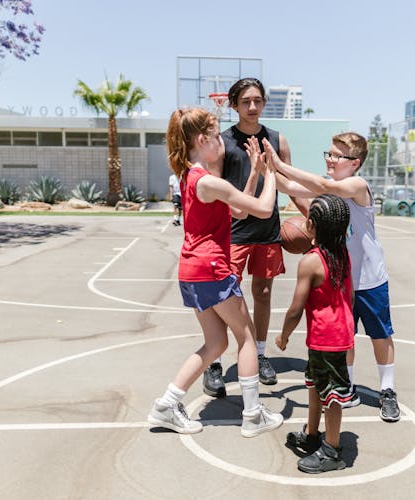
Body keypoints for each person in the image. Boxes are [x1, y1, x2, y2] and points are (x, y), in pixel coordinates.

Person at [147, 108, 283, 437]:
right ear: (202, 139)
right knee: (247, 337)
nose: (222, 140)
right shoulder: (206, 180)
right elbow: (263, 210)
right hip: (211, 268)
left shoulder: (193, 177)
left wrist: (254, 173)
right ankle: (253, 415)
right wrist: (273, 173)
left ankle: (166, 405)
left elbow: (237, 209)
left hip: (192, 269)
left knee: (215, 342)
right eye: (217, 133)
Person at [264, 132, 401, 423]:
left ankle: (387, 390)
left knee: (380, 334)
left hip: (370, 278)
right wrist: (263, 167)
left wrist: (280, 163)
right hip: (342, 278)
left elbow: (323, 185)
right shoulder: (327, 190)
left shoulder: (357, 185)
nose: (330, 159)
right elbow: (291, 186)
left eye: (337, 155)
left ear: (355, 163)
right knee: (344, 338)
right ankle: (347, 386)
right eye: (328, 153)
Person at [202, 77, 308, 397]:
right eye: (246, 101)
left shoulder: (277, 140)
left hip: (267, 232)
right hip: (231, 234)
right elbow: (215, 192)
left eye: (257, 101)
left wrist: (313, 220)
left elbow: (290, 186)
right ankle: (215, 363)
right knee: (223, 300)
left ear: (263, 103)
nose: (252, 107)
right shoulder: (222, 143)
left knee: (262, 293)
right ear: (233, 105)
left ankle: (260, 354)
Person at [276, 194, 354, 473]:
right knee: (314, 383)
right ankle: (312, 435)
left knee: (331, 395)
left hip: (326, 338)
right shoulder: (342, 253)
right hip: (335, 334)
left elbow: (296, 309)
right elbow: (351, 296)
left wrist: (283, 336)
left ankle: (332, 450)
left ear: (310, 225)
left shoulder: (310, 262)